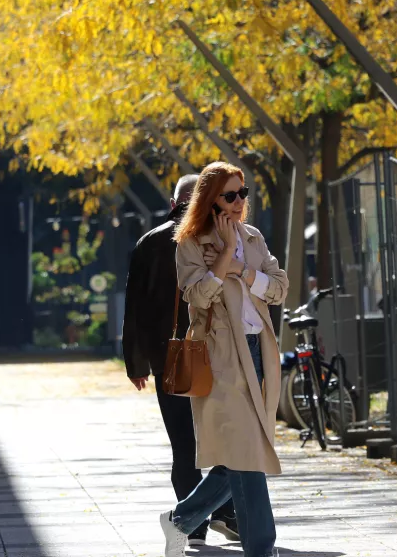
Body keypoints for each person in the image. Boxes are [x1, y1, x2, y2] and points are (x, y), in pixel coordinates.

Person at [160, 161, 289, 557]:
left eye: (242, 194)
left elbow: (279, 289)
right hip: (219, 357)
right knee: (248, 450)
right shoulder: (190, 243)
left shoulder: (253, 238)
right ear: (210, 199)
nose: (238, 202)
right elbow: (197, 296)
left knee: (241, 452)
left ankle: (181, 519)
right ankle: (261, 549)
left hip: (258, 353)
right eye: (229, 195)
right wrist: (224, 261)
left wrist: (246, 273)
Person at [123, 174, 239, 548]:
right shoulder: (220, 238)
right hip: (217, 353)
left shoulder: (150, 242)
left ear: (174, 202)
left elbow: (135, 308)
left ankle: (196, 520)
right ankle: (218, 512)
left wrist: (137, 362)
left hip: (170, 359)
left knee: (183, 444)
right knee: (223, 438)